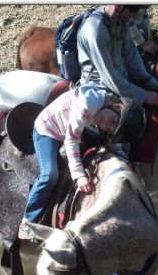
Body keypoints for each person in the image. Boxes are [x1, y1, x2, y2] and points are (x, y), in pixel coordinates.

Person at [18, 84, 145, 240]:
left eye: (111, 129)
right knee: (49, 174)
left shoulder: (105, 112)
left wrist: (128, 163)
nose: (107, 126)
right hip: (48, 130)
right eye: (112, 121)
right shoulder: (88, 104)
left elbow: (114, 144)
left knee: (102, 143)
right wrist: (79, 175)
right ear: (117, 106)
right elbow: (71, 141)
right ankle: (27, 222)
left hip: (77, 127)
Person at [77, 5, 158, 107]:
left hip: (122, 82)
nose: (135, 14)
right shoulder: (95, 32)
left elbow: (131, 56)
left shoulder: (122, 22)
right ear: (119, 6)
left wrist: (150, 81)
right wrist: (144, 96)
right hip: (99, 90)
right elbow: (109, 77)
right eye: (134, 9)